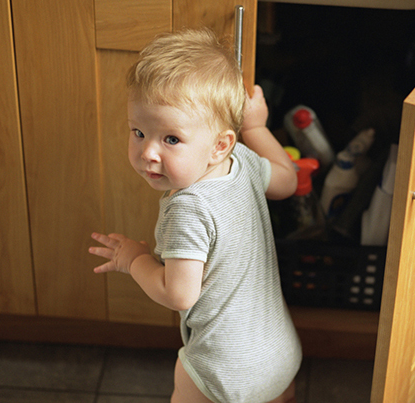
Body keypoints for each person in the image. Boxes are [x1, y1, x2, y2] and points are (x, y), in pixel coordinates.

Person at [88, 28, 302, 403]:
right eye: (138, 132)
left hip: (222, 367)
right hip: (279, 351)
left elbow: (179, 294)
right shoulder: (241, 161)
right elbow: (286, 181)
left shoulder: (186, 209)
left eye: (171, 139)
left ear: (219, 145)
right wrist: (256, 128)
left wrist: (134, 260)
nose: (148, 152)